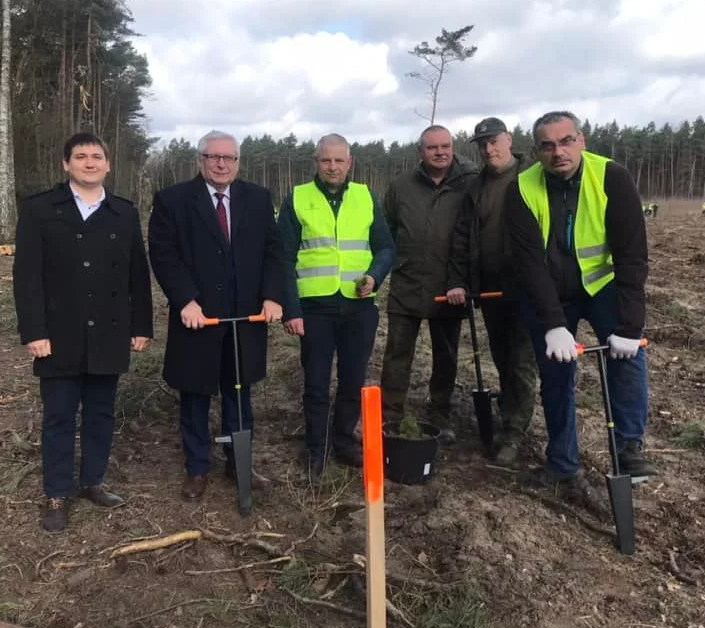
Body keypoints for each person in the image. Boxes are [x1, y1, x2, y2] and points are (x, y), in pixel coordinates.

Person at [503, 110, 657, 515]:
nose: (559, 152)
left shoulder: (612, 178)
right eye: (548, 146)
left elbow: (631, 256)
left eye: (566, 141)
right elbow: (529, 265)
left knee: (627, 356)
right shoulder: (521, 188)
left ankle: (628, 447)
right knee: (555, 374)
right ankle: (563, 463)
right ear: (536, 151)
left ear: (582, 141)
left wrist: (628, 325)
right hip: (550, 293)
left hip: (603, 285)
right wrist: (554, 325)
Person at [13, 132, 153, 533]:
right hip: (58, 333)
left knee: (100, 413)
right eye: (80, 157)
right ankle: (56, 493)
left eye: (96, 157)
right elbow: (27, 278)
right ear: (66, 164)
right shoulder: (41, 209)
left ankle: (93, 481)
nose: (89, 163)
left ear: (108, 165)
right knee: (59, 416)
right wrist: (33, 331)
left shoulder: (123, 213)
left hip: (109, 332)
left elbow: (137, 276)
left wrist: (141, 325)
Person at [148, 130, 285, 501]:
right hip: (198, 318)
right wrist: (185, 301)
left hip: (246, 320)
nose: (222, 163)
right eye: (213, 157)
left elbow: (274, 252)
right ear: (200, 160)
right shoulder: (173, 200)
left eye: (229, 158)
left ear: (238, 162)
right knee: (194, 394)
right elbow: (164, 255)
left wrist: (273, 296)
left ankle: (238, 462)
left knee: (239, 393)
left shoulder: (257, 199)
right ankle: (197, 467)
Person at [278, 133, 395, 477]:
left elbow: (386, 247)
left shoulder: (366, 197)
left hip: (359, 308)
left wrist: (374, 276)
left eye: (338, 160)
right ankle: (316, 448)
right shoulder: (297, 199)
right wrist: (292, 309)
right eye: (326, 160)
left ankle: (343, 440)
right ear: (316, 162)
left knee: (352, 379)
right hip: (315, 308)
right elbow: (283, 257)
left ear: (350, 163)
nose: (332, 167)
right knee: (316, 382)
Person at [446, 117, 538, 464]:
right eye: (482, 144)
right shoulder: (476, 187)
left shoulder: (533, 178)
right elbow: (461, 237)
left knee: (522, 362)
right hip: (490, 290)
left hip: (528, 288)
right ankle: (508, 417)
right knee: (502, 358)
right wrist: (460, 280)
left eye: (494, 141)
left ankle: (514, 432)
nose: (488, 149)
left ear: (509, 140)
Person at [380, 125, 477, 442]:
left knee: (445, 356)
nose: (440, 152)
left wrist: (462, 278)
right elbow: (387, 230)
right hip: (407, 285)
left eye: (446, 146)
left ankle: (440, 413)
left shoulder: (470, 182)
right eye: (433, 147)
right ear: (420, 151)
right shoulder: (401, 186)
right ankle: (390, 415)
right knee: (397, 355)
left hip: (450, 288)